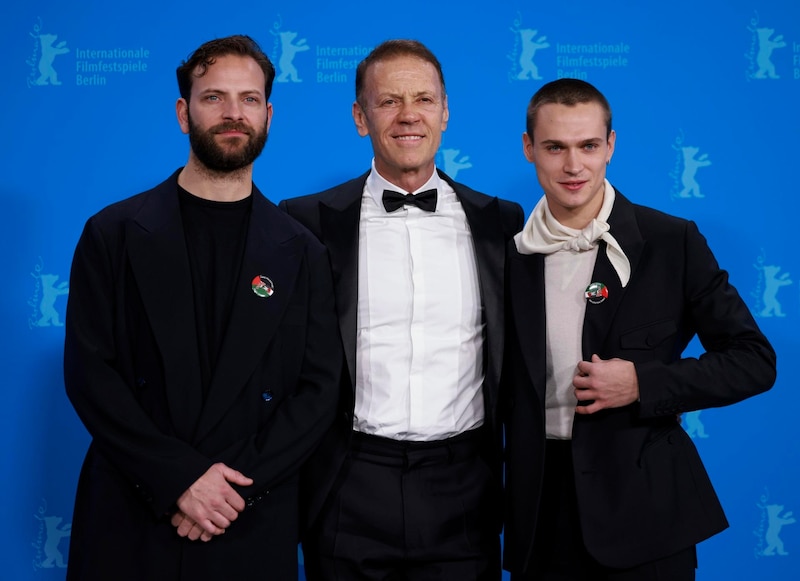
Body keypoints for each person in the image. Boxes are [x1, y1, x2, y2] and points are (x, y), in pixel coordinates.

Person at [63, 35, 341, 581]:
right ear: (182, 111)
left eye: (250, 99)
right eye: (214, 97)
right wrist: (178, 481)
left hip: (247, 515)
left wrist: (225, 490)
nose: (233, 113)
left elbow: (318, 390)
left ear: (269, 114)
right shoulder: (113, 233)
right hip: (133, 510)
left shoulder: (303, 251)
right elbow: (91, 375)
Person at [502, 77, 777, 580]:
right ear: (529, 149)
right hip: (537, 515)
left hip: (646, 516)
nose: (573, 166)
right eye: (554, 147)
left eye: (588, 145)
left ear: (610, 145)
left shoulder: (672, 241)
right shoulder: (506, 253)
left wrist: (642, 383)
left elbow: (754, 361)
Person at [280, 39, 523, 580]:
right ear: (360, 118)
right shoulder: (304, 222)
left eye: (424, 100)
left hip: (466, 487)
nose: (408, 115)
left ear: (445, 113)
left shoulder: (502, 222)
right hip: (348, 483)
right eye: (388, 101)